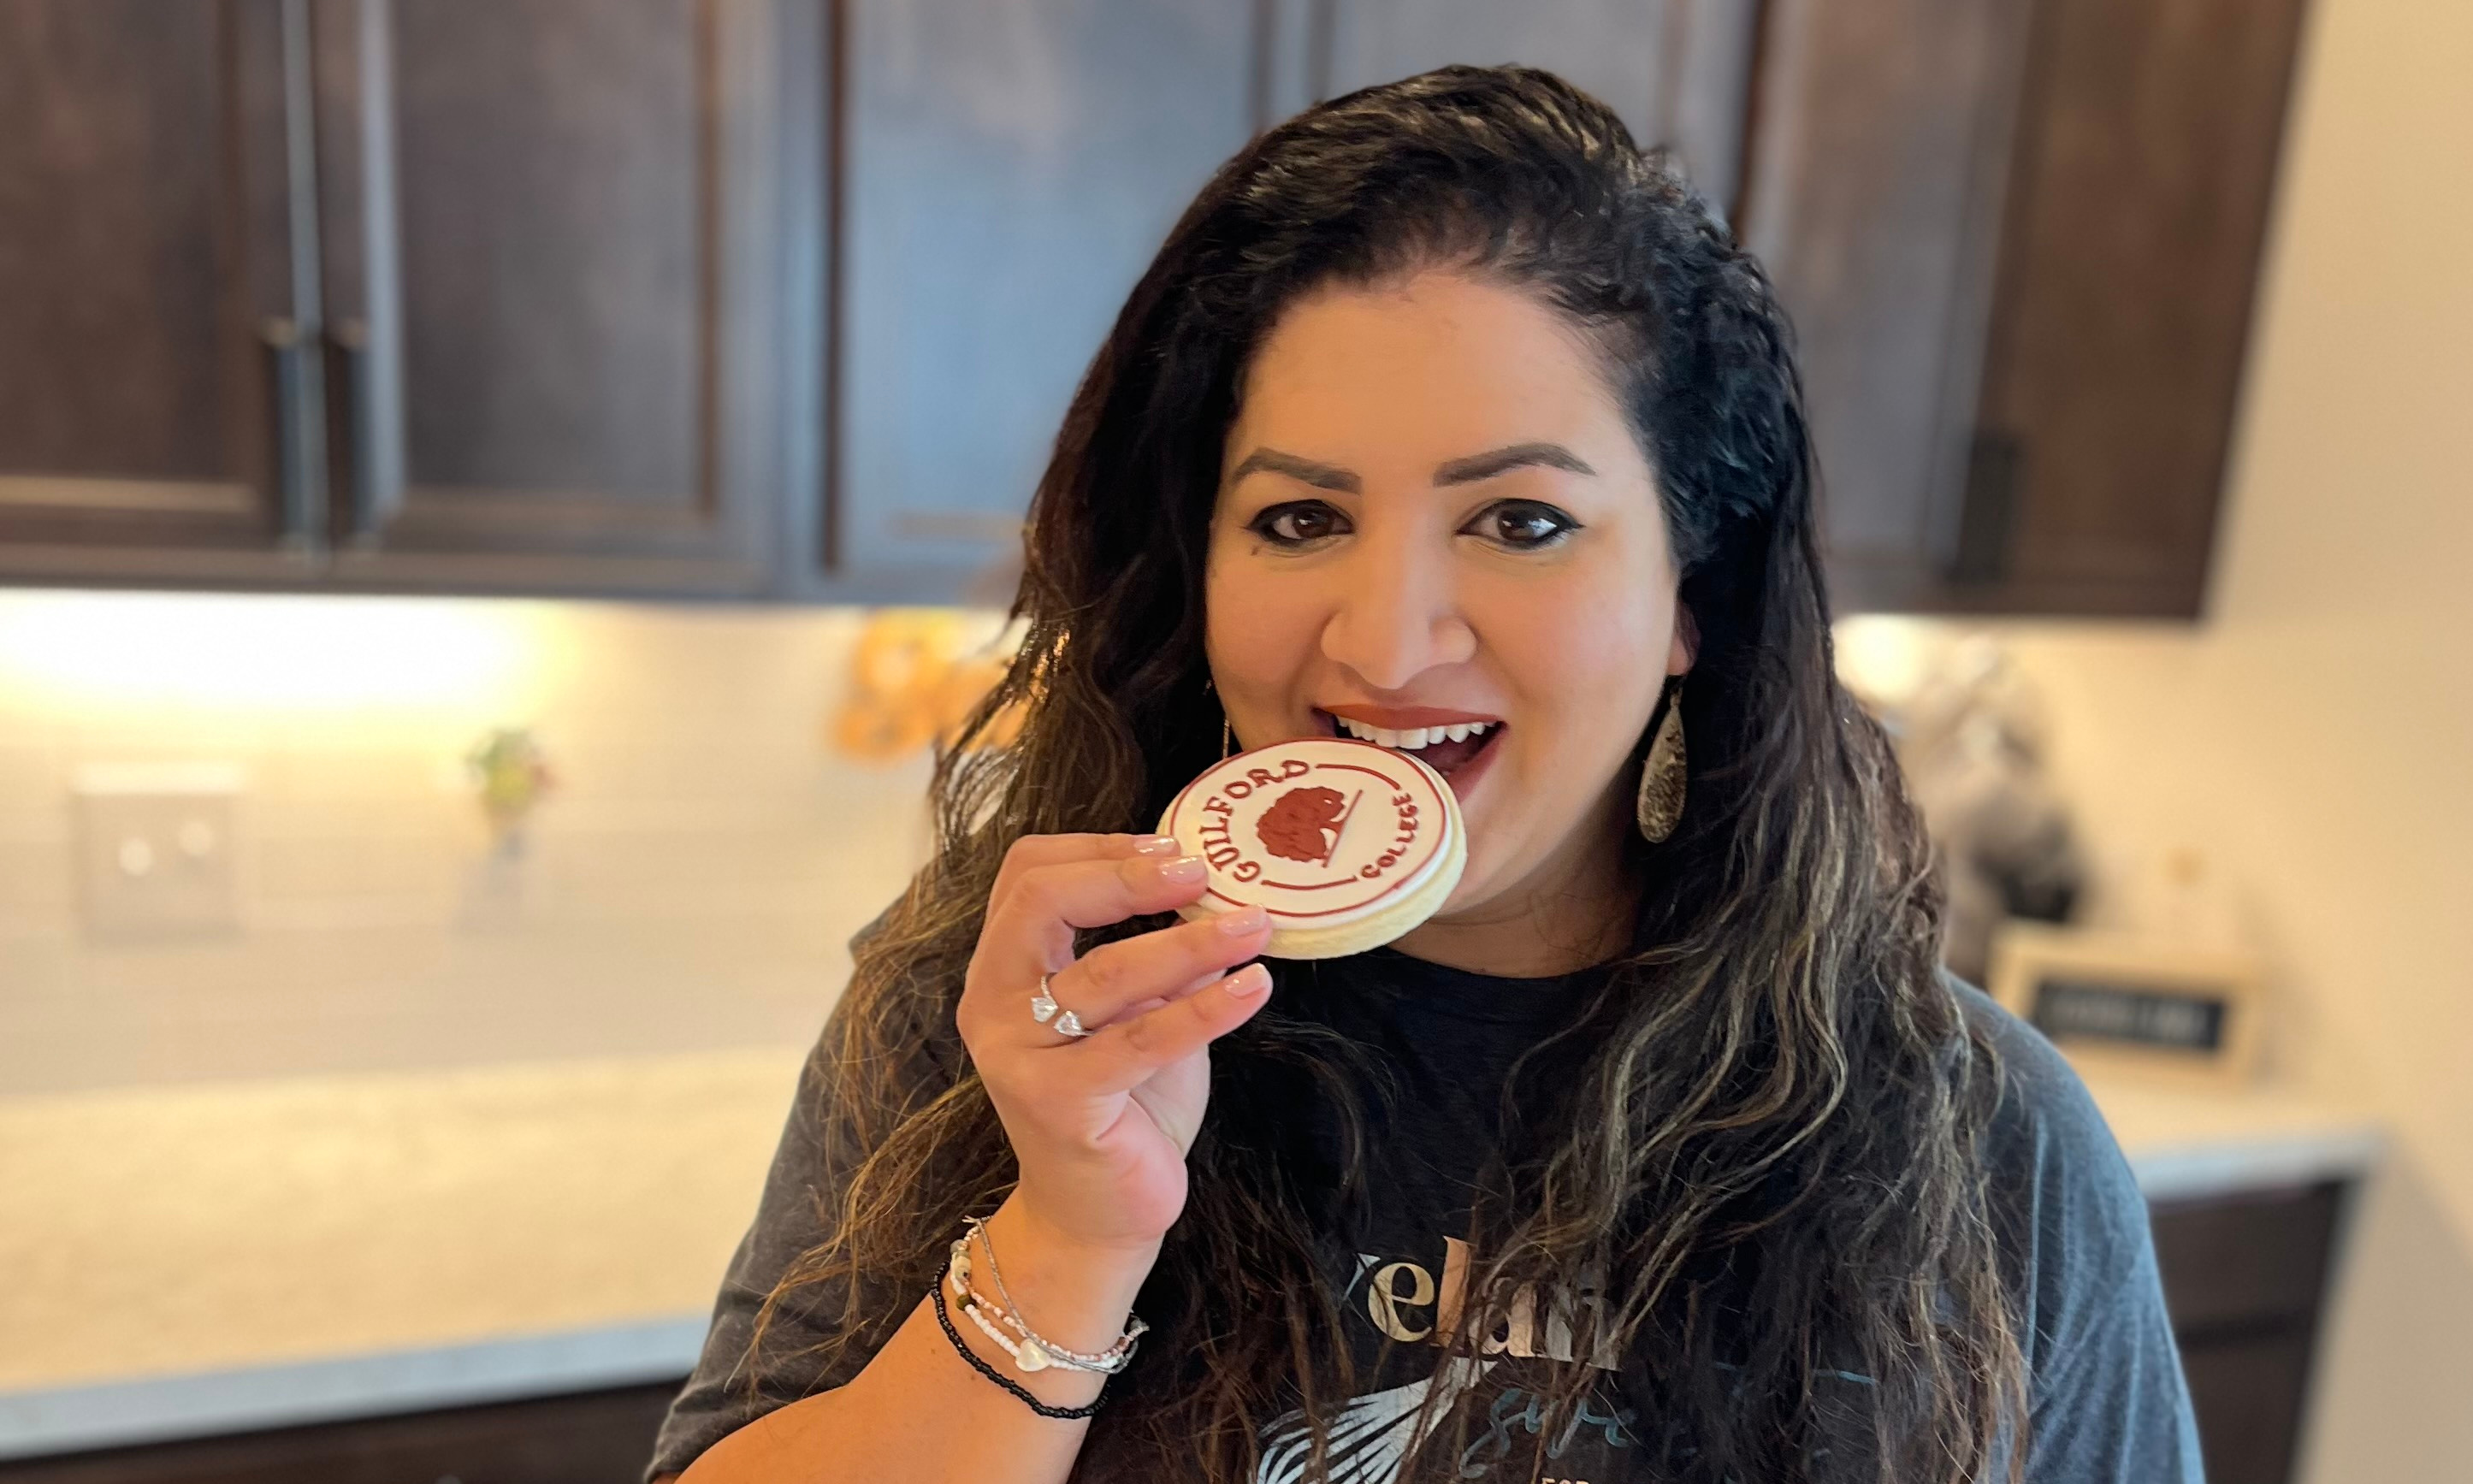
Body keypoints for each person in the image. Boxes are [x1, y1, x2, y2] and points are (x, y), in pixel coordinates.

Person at [648, 67, 2200, 1484]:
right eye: (1299, 520)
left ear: (1690, 601)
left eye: (1520, 520)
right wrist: (1064, 1241)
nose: (1384, 645)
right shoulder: (1023, 1014)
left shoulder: (1984, 1146)